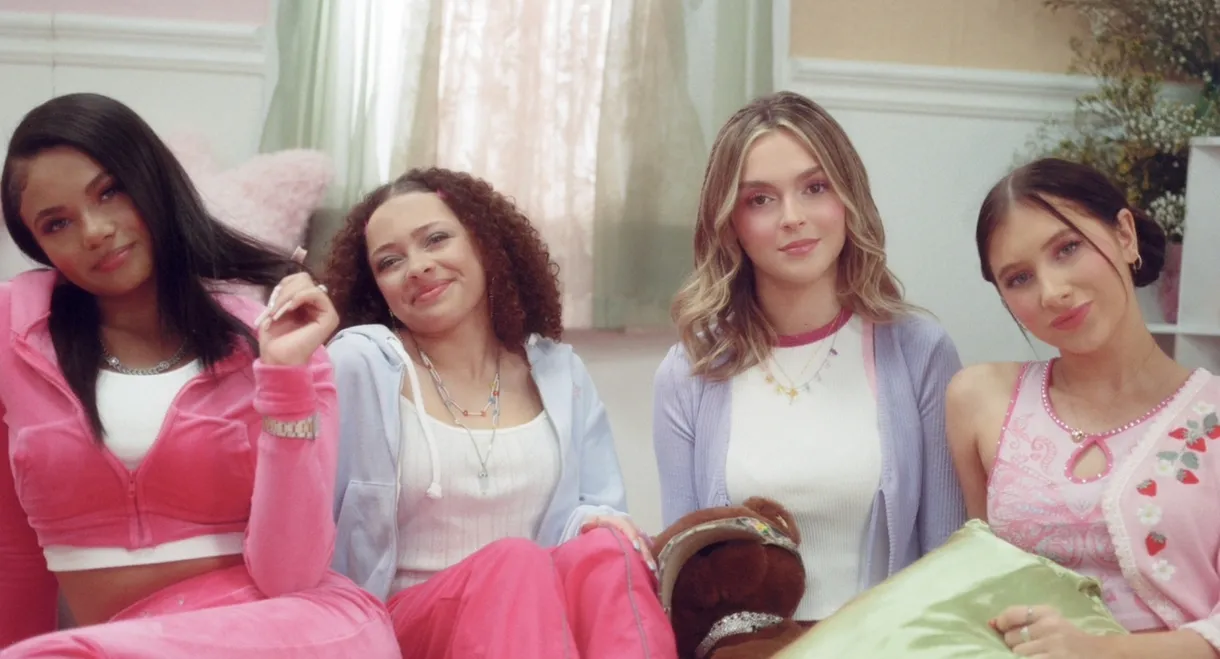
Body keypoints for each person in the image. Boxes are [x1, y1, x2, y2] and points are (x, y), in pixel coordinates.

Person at [0, 93, 399, 657]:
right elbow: (13, 553)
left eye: (110, 191)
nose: (94, 231)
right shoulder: (14, 336)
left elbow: (290, 575)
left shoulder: (276, 338)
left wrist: (285, 379)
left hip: (285, 634)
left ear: (152, 180)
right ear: (38, 246)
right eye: (57, 223)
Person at [322, 167, 676, 658]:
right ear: (376, 287)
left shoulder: (559, 371)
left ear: (483, 243)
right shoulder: (359, 364)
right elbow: (311, 522)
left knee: (609, 549)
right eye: (390, 262)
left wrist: (596, 524)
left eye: (436, 239)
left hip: (540, 623)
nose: (418, 267)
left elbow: (597, 506)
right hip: (405, 628)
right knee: (514, 561)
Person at [652, 91, 967, 625]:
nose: (792, 218)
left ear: (848, 197)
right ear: (730, 223)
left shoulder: (920, 351)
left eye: (815, 188)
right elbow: (684, 582)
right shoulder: (689, 373)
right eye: (760, 200)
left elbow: (948, 560)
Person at [947, 157, 1220, 658]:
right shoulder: (981, 400)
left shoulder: (1213, 415)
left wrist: (1097, 650)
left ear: (1125, 235)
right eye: (1019, 278)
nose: (1053, 292)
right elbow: (978, 578)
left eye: (1067, 249)